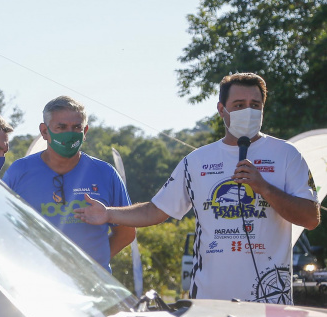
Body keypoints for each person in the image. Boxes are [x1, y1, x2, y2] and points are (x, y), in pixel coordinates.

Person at [75, 73, 320, 303]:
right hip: (210, 300)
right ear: (221, 109)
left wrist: (264, 187)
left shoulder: (287, 155)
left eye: (255, 105)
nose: (248, 111)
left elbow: (310, 218)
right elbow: (155, 211)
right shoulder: (197, 160)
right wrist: (108, 213)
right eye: (239, 105)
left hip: (270, 299)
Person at [3, 96, 135, 272]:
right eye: (61, 127)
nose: (69, 133)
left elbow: (126, 233)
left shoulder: (105, 173)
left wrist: (92, 265)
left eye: (76, 127)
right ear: (44, 131)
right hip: (35, 282)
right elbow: (3, 227)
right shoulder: (19, 171)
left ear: (85, 131)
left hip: (92, 287)